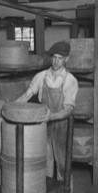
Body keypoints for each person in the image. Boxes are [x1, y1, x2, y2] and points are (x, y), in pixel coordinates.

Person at [15, 41, 78, 185]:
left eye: (60, 58)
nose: (56, 61)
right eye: (54, 57)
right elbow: (27, 95)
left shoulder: (70, 80)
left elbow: (69, 109)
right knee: (45, 163)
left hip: (61, 128)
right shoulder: (41, 76)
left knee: (63, 166)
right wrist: (12, 105)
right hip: (43, 126)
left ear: (66, 59)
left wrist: (52, 117)